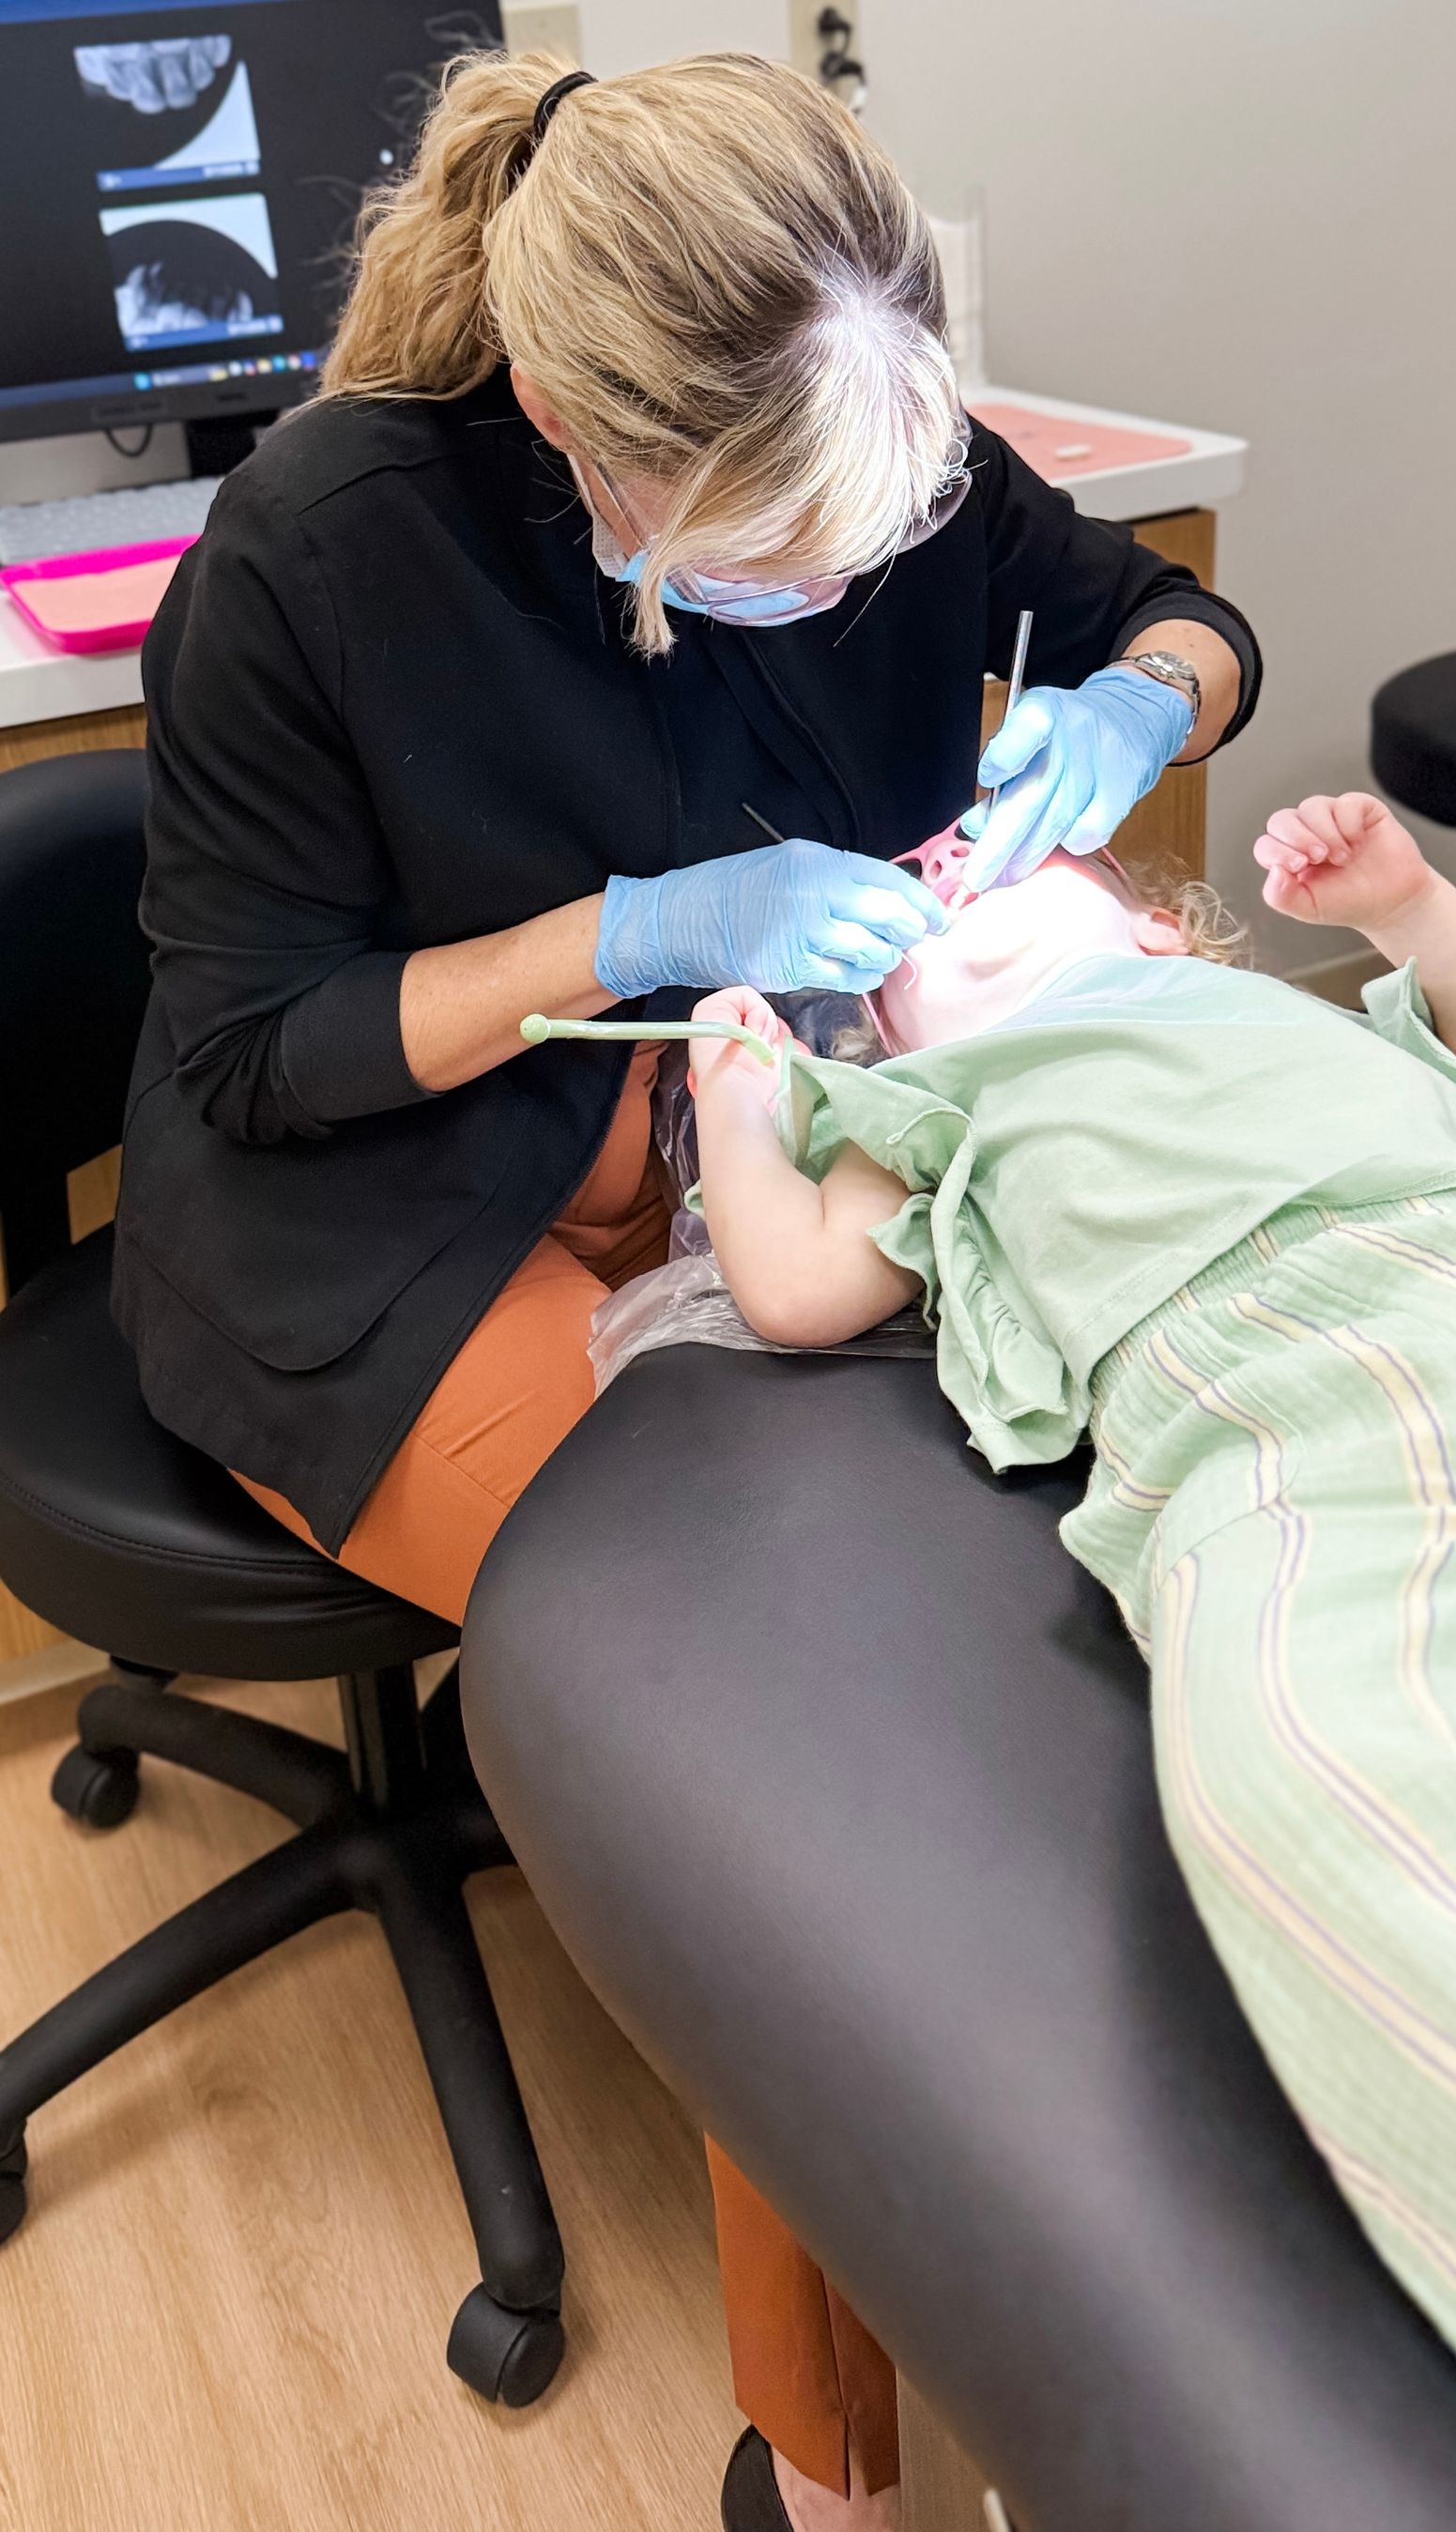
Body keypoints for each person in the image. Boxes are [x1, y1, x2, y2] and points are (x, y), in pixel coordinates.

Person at [111, 45, 1259, 2531]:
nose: (850, 593)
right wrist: (617, 940)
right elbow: (257, 1051)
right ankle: (823, 2475)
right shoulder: (323, 551)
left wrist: (1129, 708)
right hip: (382, 1224)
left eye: (881, 533)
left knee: (1016, 1610)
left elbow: (1176, 613)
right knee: (804, 1743)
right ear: (579, 430)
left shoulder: (880, 421)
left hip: (739, 1148)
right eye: (783, 552)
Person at [679, 793, 1456, 2532]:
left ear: (1152, 927)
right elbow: (800, 1290)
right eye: (905, 906)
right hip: (1276, 1417)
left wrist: (1416, 906)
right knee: (1326, 1781)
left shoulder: (1279, 1009)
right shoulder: (929, 1106)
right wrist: (739, 1096)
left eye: (980, 845)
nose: (931, 872)